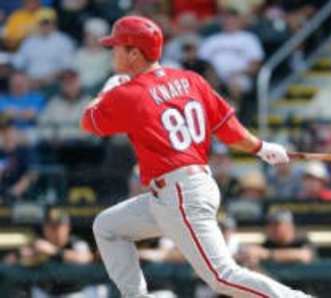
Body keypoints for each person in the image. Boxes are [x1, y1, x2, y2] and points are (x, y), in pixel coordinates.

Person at [81, 16, 312, 298]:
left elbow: (89, 121)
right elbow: (227, 128)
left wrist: (106, 91)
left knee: (222, 277)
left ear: (134, 53)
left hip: (179, 193)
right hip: (178, 191)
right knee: (107, 227)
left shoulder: (128, 94)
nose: (112, 51)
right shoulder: (189, 79)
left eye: (117, 46)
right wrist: (260, 147)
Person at [12, 8, 75, 88]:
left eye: (47, 22)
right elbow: (18, 63)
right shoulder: (29, 41)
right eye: (42, 23)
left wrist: (46, 79)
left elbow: (67, 66)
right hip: (30, 83)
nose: (45, 26)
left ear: (54, 23)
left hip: (55, 83)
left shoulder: (64, 41)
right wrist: (27, 79)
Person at [240, 209, 314, 268]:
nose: (272, 229)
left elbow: (304, 255)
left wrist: (268, 254)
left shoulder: (302, 241)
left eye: (277, 225)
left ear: (289, 226)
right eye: (270, 225)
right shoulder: (268, 244)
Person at [38, 69, 90, 141]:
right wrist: (53, 137)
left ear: (79, 83)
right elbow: (43, 124)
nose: (69, 86)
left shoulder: (89, 102)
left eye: (72, 82)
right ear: (61, 85)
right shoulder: (53, 103)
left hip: (85, 146)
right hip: (58, 145)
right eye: (66, 83)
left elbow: (93, 129)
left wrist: (75, 137)